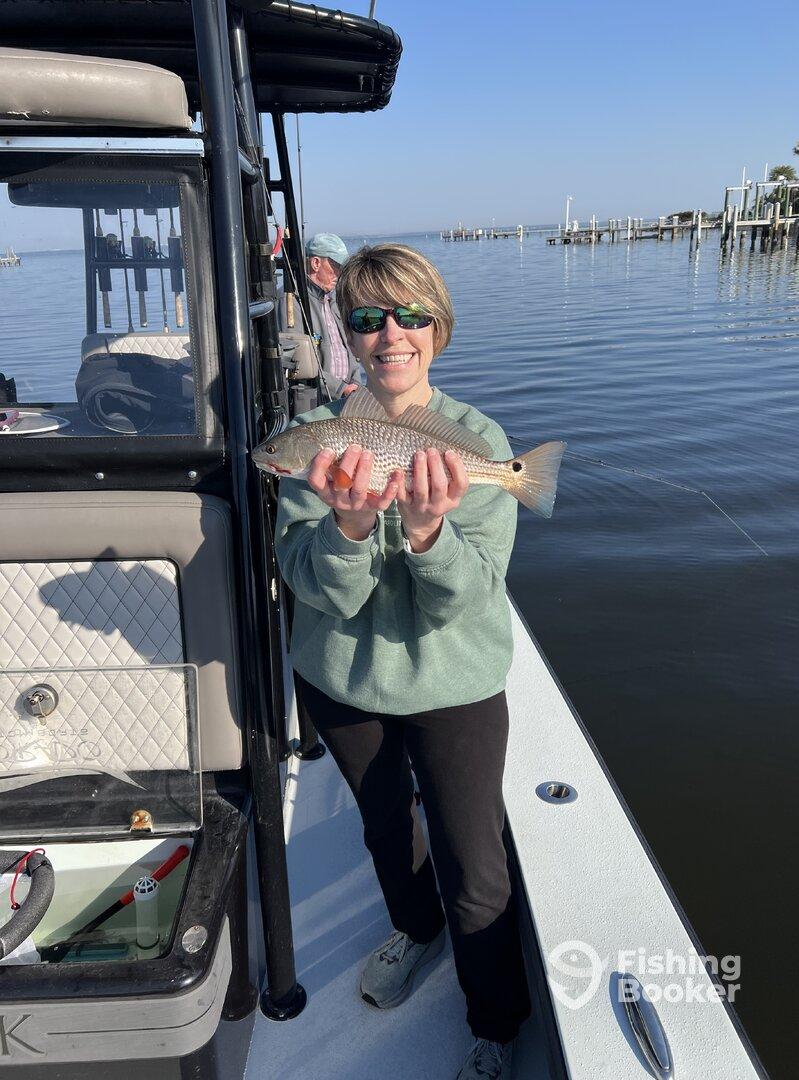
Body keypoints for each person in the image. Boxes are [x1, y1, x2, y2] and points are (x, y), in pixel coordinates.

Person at [274, 243, 531, 1080]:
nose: (391, 333)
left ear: (437, 326)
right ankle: (416, 932)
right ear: (345, 333)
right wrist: (346, 527)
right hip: (343, 682)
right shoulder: (314, 445)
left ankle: (495, 1023)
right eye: (367, 317)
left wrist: (427, 531)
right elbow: (313, 586)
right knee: (386, 827)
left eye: (410, 314)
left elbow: (468, 596)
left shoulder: (477, 441)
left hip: (454, 684)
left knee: (476, 864)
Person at [279, 231, 363, 399]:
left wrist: (356, 384)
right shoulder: (290, 299)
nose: (340, 275)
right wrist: (340, 389)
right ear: (316, 263)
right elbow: (297, 361)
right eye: (337, 267)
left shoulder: (336, 299)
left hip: (347, 396)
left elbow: (351, 346)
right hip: (315, 400)